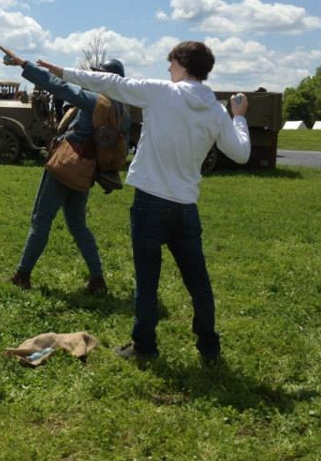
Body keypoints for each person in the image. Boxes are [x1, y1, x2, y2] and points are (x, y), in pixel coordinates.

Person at [40, 41, 250, 365]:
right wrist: (238, 117)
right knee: (198, 282)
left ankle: (145, 347)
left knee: (148, 279)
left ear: (182, 63)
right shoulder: (215, 110)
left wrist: (63, 72)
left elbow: (112, 84)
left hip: (151, 202)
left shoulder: (161, 92)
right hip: (186, 207)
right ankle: (209, 347)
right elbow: (241, 153)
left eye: (171, 62)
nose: (168, 68)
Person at [0, 45, 130, 296]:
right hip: (86, 173)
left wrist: (24, 65)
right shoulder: (122, 111)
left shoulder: (95, 101)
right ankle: (97, 280)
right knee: (78, 226)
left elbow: (57, 87)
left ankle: (22, 275)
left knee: (41, 220)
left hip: (64, 167)